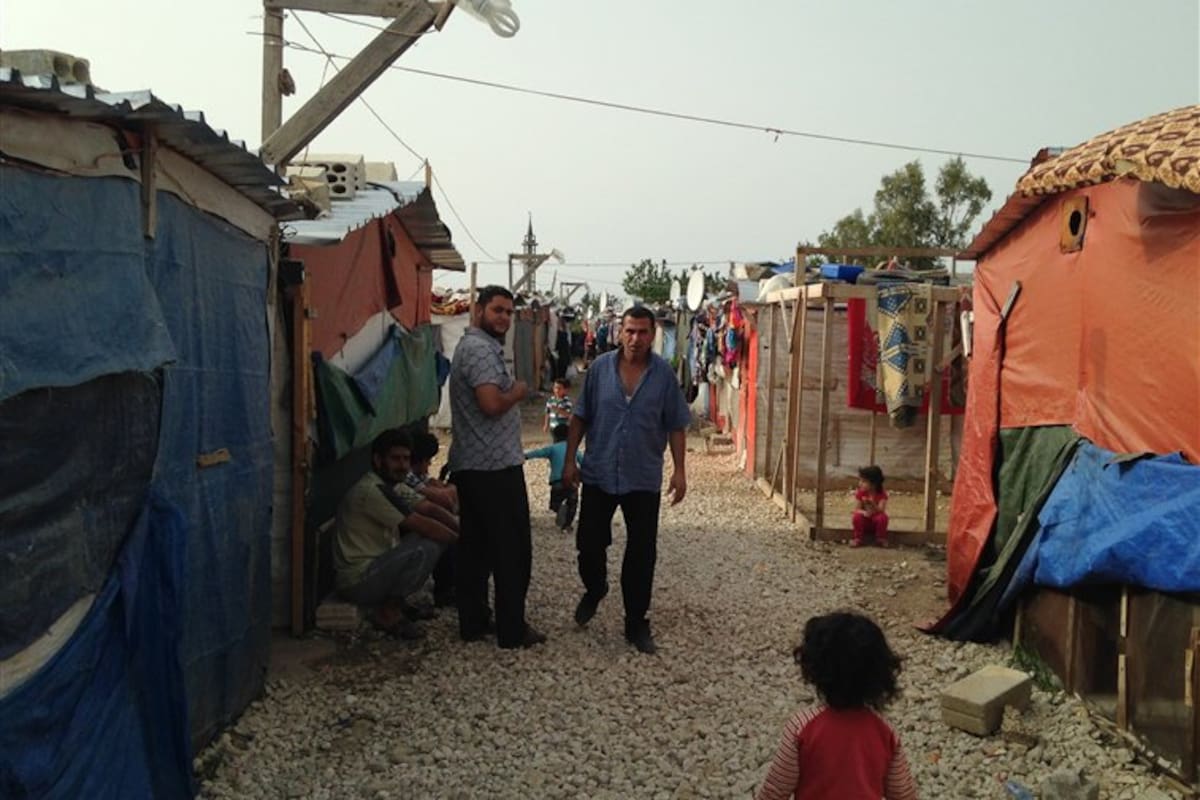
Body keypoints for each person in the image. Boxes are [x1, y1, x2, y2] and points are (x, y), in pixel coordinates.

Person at [562, 306, 691, 655]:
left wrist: (679, 470)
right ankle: (596, 587)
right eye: (630, 331)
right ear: (620, 332)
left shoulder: (664, 375)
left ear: (653, 335)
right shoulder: (600, 369)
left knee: (641, 552)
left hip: (642, 476)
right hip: (599, 472)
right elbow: (579, 417)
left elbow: (676, 424)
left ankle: (636, 621)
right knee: (589, 543)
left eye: (643, 332)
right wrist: (570, 460)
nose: (636, 339)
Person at [447, 285, 546, 649]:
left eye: (508, 312)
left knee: (476, 548)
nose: (504, 318)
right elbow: (490, 403)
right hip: (493, 468)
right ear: (479, 310)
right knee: (511, 550)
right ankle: (511, 629)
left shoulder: (474, 347)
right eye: (497, 310)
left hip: (472, 464)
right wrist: (519, 392)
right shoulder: (479, 351)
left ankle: (473, 621)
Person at [755, 612, 918, 800]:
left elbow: (775, 791)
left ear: (815, 670)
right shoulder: (885, 732)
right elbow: (903, 795)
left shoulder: (801, 727)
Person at [332, 429, 459, 639]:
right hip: (357, 580)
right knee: (426, 544)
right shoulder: (371, 490)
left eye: (406, 459)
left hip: (377, 567)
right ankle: (388, 613)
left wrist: (459, 529)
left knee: (436, 536)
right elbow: (421, 524)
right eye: (395, 459)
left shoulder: (393, 485)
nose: (402, 465)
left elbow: (430, 508)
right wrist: (463, 541)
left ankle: (397, 605)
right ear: (378, 460)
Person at [407, 430, 458, 607]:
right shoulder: (406, 478)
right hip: (407, 529)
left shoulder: (417, 476)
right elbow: (443, 498)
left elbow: (439, 491)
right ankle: (445, 590)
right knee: (443, 536)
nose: (429, 465)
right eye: (428, 460)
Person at [524, 423, 584, 532]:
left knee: (554, 503)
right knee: (573, 504)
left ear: (554, 437)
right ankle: (567, 525)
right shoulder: (573, 449)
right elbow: (583, 460)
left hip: (557, 482)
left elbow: (538, 452)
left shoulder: (552, 448)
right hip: (572, 481)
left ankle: (559, 508)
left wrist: (525, 456)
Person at [852, 465, 889, 548]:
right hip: (865, 520)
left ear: (873, 484)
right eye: (860, 480)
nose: (860, 483)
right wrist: (863, 512)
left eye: (864, 481)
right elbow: (856, 509)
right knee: (857, 517)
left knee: (883, 517)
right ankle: (858, 538)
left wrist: (873, 504)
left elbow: (881, 510)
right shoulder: (861, 493)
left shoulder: (881, 494)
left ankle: (880, 539)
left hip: (876, 521)